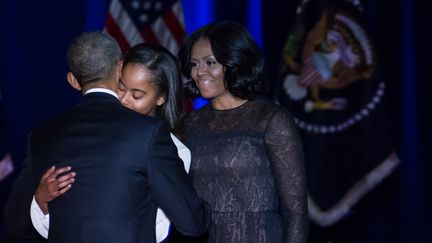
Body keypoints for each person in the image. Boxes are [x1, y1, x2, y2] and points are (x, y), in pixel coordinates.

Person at [19, 31, 208, 243]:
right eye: (120, 88)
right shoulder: (82, 136)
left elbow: (167, 230)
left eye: (137, 95)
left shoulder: (174, 150)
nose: (124, 100)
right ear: (116, 74)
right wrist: (40, 202)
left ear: (161, 98)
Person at [177, 20, 309, 242]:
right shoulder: (189, 124)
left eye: (210, 62)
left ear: (235, 62)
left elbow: (295, 211)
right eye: (194, 64)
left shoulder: (270, 119)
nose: (199, 72)